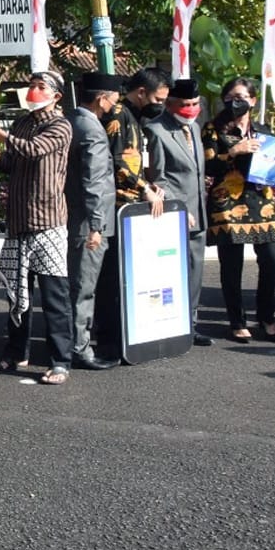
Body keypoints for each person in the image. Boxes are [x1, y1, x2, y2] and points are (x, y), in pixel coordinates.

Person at [0, 68, 75, 385]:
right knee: (17, 295)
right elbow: (12, 163)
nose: (33, 90)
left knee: (54, 296)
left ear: (56, 95)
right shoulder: (22, 122)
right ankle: (16, 351)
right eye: (31, 85)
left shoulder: (60, 126)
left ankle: (61, 360)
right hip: (18, 223)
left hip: (48, 223)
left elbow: (33, 150)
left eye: (40, 86)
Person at [202, 76, 275, 342]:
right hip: (227, 203)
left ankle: (267, 316)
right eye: (230, 98)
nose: (235, 103)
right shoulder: (213, 129)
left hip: (261, 201)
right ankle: (237, 320)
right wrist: (234, 151)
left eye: (241, 98)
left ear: (252, 100)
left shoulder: (263, 129)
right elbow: (209, 166)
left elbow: (273, 167)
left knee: (274, 259)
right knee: (232, 265)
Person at [102, 67, 171, 355]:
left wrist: (148, 185)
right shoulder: (119, 114)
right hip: (116, 206)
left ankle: (124, 335)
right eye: (158, 98)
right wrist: (144, 186)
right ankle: (109, 340)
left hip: (132, 205)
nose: (161, 105)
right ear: (141, 92)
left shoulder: (134, 117)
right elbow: (117, 162)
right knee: (112, 278)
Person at [144, 78, 211, 346]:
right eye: (185, 105)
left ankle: (190, 325)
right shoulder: (156, 131)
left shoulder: (193, 128)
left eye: (195, 104)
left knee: (195, 272)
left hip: (198, 212)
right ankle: (168, 324)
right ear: (170, 104)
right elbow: (157, 179)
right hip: (175, 214)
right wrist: (178, 206)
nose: (191, 109)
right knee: (170, 273)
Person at [66, 72, 124, 370]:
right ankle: (80, 349)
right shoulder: (92, 130)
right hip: (87, 224)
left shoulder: (72, 121)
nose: (116, 105)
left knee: (74, 287)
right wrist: (97, 225)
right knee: (83, 288)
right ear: (102, 98)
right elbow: (94, 181)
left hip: (73, 218)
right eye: (114, 100)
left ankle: (71, 345)